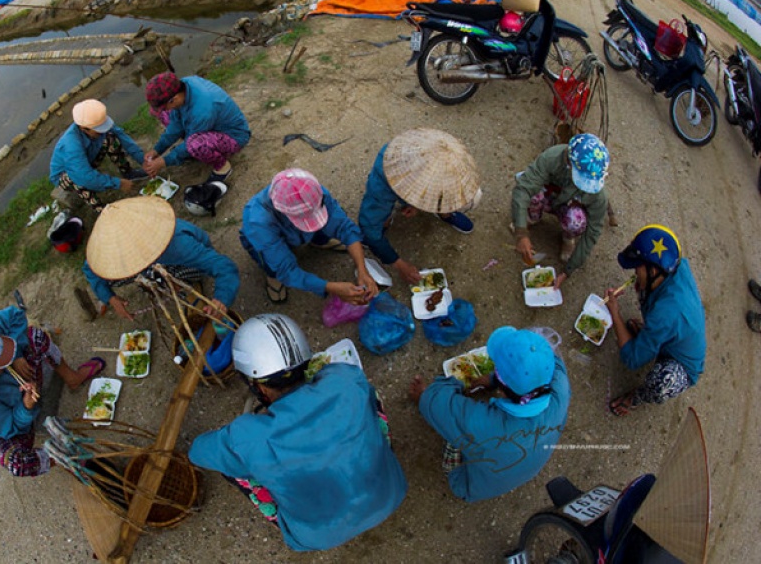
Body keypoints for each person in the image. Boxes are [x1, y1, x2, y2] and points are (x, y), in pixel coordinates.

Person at [189, 314, 407, 551]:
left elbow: (197, 452)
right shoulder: (346, 378)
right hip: (389, 494)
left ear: (258, 385)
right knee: (370, 398)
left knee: (235, 469)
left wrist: (228, 436)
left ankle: (281, 515)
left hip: (318, 536)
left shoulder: (247, 437)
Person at [409, 326, 570, 502]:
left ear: (504, 388)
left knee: (452, 431)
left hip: (472, 485)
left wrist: (425, 395)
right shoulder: (560, 385)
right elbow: (541, 364)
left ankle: (457, 477)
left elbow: (436, 401)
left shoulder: (483, 424)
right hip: (528, 465)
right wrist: (494, 379)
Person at [0, 305, 105, 477]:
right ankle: (65, 456)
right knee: (13, 461)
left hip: (26, 379)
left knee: (35, 337)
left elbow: (16, 314)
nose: (6, 360)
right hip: (15, 421)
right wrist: (26, 406)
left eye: (3, 348)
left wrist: (16, 355)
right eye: (1, 361)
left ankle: (72, 378)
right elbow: (10, 428)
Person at [604, 225, 706, 416]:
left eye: (638, 267)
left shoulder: (665, 314)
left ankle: (636, 397)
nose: (634, 272)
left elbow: (631, 359)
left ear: (654, 270)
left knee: (663, 382)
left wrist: (614, 313)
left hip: (682, 364)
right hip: (672, 327)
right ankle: (651, 338)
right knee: (645, 293)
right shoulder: (676, 266)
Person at [83, 196, 239, 319]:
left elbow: (224, 266)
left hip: (183, 262)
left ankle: (177, 282)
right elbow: (90, 268)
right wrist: (110, 298)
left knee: (181, 277)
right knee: (108, 276)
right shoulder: (109, 249)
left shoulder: (178, 245)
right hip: (160, 262)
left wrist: (221, 298)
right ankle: (159, 279)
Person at [359, 128, 481, 285]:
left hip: (412, 175)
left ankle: (443, 213)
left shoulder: (450, 154)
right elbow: (370, 230)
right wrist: (399, 264)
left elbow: (420, 186)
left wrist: (415, 205)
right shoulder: (385, 180)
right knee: (373, 228)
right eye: (446, 205)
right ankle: (385, 221)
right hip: (390, 179)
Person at [239, 168, 378, 304]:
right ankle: (272, 276)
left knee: (323, 224)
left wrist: (362, 268)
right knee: (272, 263)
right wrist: (330, 287)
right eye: (304, 220)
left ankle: (318, 241)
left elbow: (343, 226)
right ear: (282, 212)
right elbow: (287, 270)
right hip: (265, 242)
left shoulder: (310, 190)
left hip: (290, 232)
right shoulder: (258, 223)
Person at [512, 133, 610, 289]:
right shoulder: (552, 158)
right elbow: (523, 189)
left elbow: (593, 232)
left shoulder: (599, 195)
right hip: (548, 196)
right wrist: (521, 232)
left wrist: (567, 271)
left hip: (568, 207)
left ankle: (568, 237)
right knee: (532, 193)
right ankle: (531, 217)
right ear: (568, 162)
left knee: (576, 222)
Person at [142, 72, 250, 184]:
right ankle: (193, 153)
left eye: (165, 107)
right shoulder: (182, 86)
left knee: (194, 144)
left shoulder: (203, 110)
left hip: (234, 136)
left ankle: (223, 167)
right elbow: (175, 123)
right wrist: (157, 150)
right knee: (165, 115)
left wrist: (163, 161)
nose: (165, 109)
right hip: (205, 126)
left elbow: (190, 141)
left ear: (174, 99)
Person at [49, 99, 146, 212]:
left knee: (110, 137)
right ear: (83, 128)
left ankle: (128, 173)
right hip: (67, 174)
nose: (102, 131)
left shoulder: (97, 121)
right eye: (98, 130)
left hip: (87, 159)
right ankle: (100, 209)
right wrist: (118, 183)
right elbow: (84, 177)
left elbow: (123, 138)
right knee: (76, 178)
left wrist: (143, 160)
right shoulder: (71, 145)